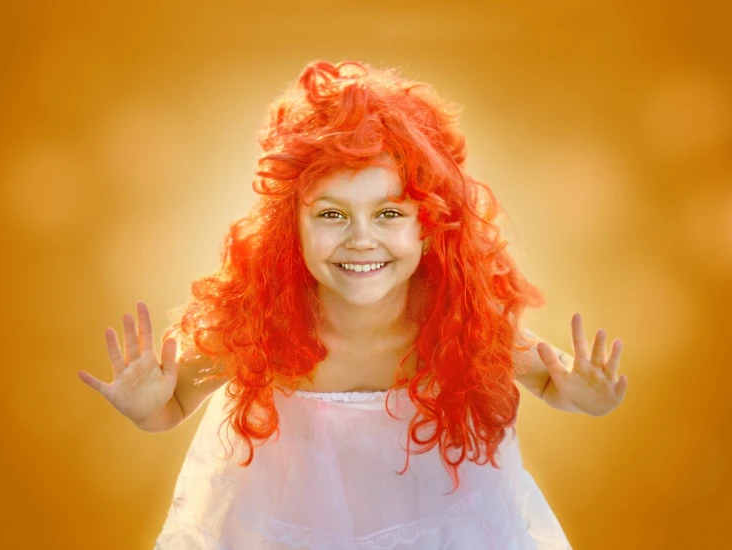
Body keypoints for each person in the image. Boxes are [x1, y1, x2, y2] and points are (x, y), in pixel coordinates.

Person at [78, 60, 628, 549]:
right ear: (289, 230)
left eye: (388, 215)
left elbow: (556, 384)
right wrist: (143, 406)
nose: (361, 239)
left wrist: (591, 399)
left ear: (430, 230)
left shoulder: (464, 325)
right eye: (332, 215)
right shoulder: (258, 326)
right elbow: (169, 409)